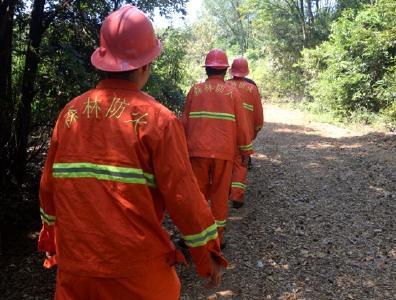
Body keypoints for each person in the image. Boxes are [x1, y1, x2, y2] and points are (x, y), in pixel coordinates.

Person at [37, 5, 227, 300]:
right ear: (144, 66)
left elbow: (49, 187)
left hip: (76, 271)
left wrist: (50, 237)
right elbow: (184, 197)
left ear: (101, 61)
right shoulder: (158, 120)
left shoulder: (70, 114)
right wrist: (207, 255)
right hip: (137, 275)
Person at [181, 49, 253, 248]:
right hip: (224, 153)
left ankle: (195, 238)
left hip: (196, 152)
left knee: (197, 195)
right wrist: (245, 150)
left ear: (207, 70)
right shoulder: (233, 93)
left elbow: (184, 122)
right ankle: (217, 240)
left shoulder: (195, 90)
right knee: (220, 196)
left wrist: (181, 150)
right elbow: (242, 125)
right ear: (224, 70)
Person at [227, 57, 264, 209]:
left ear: (231, 70)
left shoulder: (225, 86)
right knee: (241, 163)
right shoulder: (252, 89)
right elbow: (258, 117)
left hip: (226, 134)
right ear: (246, 71)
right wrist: (253, 133)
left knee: (227, 163)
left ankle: (226, 190)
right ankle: (237, 195)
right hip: (245, 134)